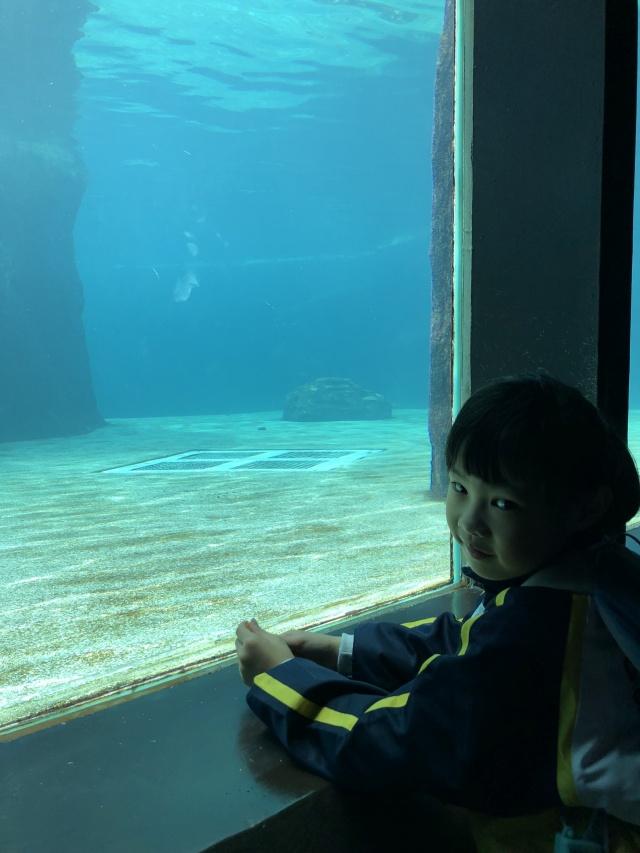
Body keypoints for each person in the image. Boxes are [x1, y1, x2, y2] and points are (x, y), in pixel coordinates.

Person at [235, 373, 640, 852]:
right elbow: (467, 638)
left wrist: (280, 679)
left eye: (503, 503)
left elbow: (389, 743)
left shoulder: (532, 636)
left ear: (585, 508)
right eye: (460, 487)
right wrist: (342, 651)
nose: (470, 522)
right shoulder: (596, 570)